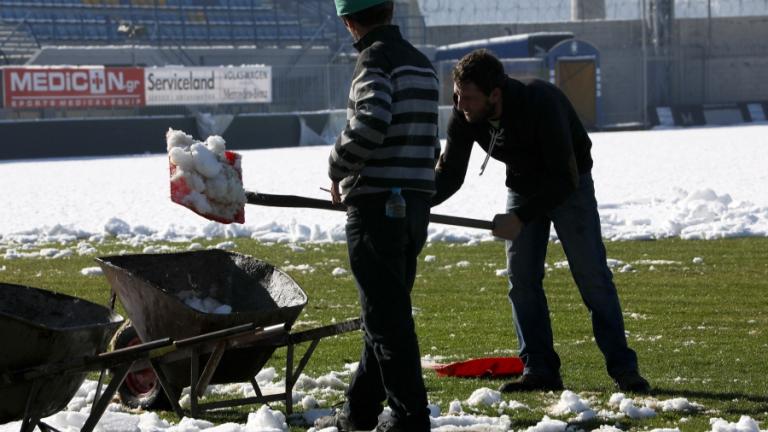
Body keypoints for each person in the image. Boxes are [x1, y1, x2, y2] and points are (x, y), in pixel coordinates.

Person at [432, 49, 651, 393]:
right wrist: (416, 202)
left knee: (592, 275)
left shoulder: (540, 102)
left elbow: (564, 180)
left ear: (495, 95)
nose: (460, 106)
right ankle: (539, 369)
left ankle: (624, 369)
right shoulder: (465, 115)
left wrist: (518, 218)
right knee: (521, 279)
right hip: (522, 184)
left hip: (570, 183)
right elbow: (450, 176)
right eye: (457, 96)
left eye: (469, 98)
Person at [314, 0, 440, 430]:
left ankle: (410, 418)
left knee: (388, 322)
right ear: (388, 10)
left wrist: (336, 168)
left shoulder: (374, 59)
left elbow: (370, 119)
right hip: (415, 205)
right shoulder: (422, 63)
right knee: (383, 313)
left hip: (377, 209)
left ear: (349, 21)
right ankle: (359, 411)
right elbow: (430, 142)